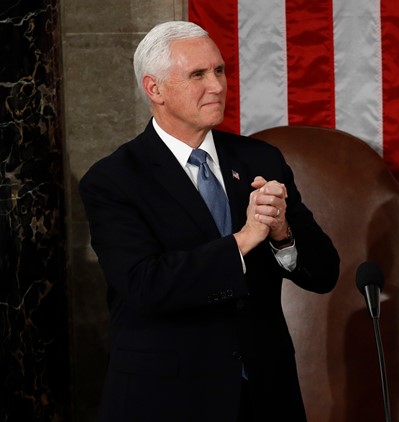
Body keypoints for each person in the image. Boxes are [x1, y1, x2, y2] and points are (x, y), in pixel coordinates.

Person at [79, 21, 340, 421]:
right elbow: (146, 285)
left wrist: (281, 233)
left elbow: (324, 274)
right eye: (198, 75)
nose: (217, 86)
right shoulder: (113, 180)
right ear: (154, 89)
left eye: (219, 70)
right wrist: (246, 238)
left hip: (265, 394)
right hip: (168, 397)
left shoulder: (260, 159)